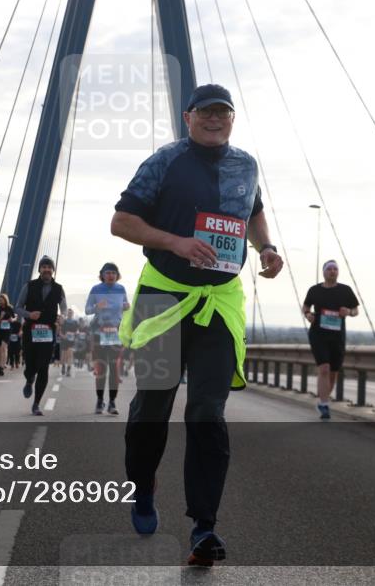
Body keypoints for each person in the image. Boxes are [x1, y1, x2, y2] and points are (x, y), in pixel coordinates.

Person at [112, 84, 284, 566]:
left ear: (232, 119)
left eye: (223, 113)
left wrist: (266, 248)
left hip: (219, 301)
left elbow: (254, 212)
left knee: (208, 411)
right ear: (188, 117)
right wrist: (176, 242)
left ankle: (203, 528)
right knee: (152, 407)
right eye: (206, 112)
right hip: (163, 297)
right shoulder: (164, 162)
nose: (215, 119)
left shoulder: (245, 166)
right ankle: (142, 488)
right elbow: (122, 222)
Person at [302, 260, 360, 419]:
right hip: (318, 334)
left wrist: (348, 311)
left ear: (338, 272)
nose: (332, 271)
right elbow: (305, 307)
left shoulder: (346, 290)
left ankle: (323, 401)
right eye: (329, 269)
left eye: (335, 269)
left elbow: (356, 311)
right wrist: (308, 315)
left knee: (333, 372)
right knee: (324, 368)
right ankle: (325, 404)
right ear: (324, 272)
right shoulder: (314, 290)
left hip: (337, 336)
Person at [14, 256, 67, 416]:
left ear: (53, 270)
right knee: (30, 365)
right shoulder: (29, 286)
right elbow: (17, 308)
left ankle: (36, 404)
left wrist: (62, 316)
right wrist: (29, 314)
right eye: (43, 267)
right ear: (39, 270)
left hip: (48, 333)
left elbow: (63, 308)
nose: (46, 270)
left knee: (43, 368)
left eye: (49, 267)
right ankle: (29, 379)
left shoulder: (59, 288)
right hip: (30, 331)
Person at [85, 262, 130, 415]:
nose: (111, 275)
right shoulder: (96, 289)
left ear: (117, 275)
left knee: (114, 369)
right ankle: (99, 401)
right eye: (108, 273)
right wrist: (98, 307)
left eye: (113, 273)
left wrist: (126, 306)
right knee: (101, 368)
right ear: (102, 275)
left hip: (115, 332)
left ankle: (112, 402)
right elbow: (87, 310)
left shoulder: (121, 289)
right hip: (99, 332)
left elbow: (125, 306)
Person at [0, 294, 16, 376]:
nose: (0, 301)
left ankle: (2, 366)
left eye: (2, 299)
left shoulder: (9, 308)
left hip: (7, 331)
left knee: (3, 347)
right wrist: (1, 318)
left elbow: (14, 318)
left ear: (5, 300)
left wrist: (11, 319)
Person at [60, 308, 78, 376]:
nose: (70, 314)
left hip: (71, 341)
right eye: (69, 313)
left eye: (71, 313)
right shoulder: (64, 322)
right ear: (67, 314)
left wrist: (76, 334)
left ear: (72, 314)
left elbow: (77, 331)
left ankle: (68, 370)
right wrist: (63, 336)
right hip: (64, 340)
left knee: (70, 355)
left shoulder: (75, 322)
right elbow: (60, 332)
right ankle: (63, 367)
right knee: (64, 356)